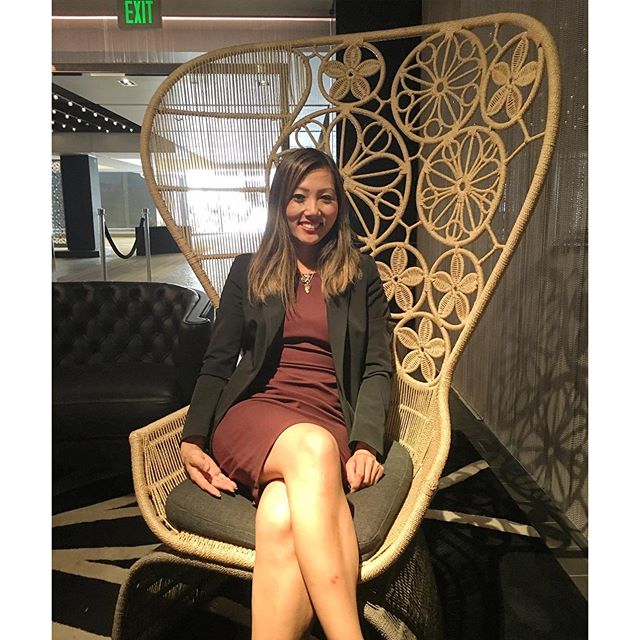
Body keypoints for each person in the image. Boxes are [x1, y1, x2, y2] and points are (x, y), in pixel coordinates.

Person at [179, 147, 392, 640]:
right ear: (280, 202)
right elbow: (218, 363)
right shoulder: (249, 269)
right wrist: (192, 438)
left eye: (325, 198)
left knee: (279, 516)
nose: (311, 210)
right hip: (255, 416)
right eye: (299, 197)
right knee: (312, 448)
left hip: (329, 419)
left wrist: (366, 442)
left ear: (339, 206)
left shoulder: (361, 273)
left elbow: (377, 367)